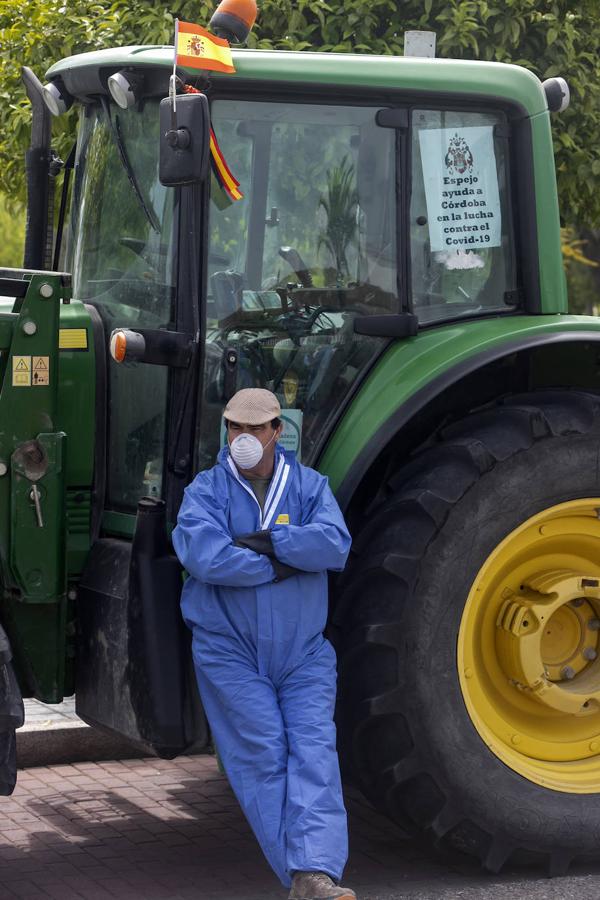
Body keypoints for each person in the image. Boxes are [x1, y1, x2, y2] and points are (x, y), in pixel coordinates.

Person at [172, 388, 356, 900]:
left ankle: (314, 872)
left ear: (278, 431)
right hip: (230, 652)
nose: (244, 439)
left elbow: (335, 544)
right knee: (263, 755)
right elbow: (206, 558)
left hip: (303, 654)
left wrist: (270, 543)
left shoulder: (310, 486)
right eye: (234, 428)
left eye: (256, 429)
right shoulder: (205, 492)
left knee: (315, 752)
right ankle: (306, 877)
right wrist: (288, 562)